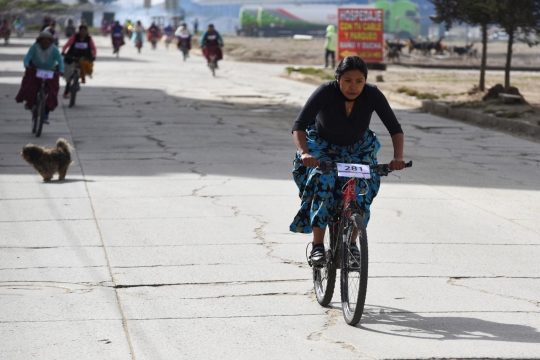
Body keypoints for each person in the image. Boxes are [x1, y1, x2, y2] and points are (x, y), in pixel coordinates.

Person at [290, 56, 406, 265]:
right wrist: (305, 153)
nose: (353, 86)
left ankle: (352, 245)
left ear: (365, 81)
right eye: (348, 80)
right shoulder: (325, 92)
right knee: (323, 182)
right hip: (323, 147)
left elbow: (394, 128)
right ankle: (317, 247)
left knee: (362, 189)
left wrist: (398, 157)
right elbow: (299, 125)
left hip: (358, 149)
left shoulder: (372, 95)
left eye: (359, 81)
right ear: (338, 79)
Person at [16, 31, 64, 124]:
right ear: (40, 40)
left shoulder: (54, 49)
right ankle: (30, 103)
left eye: (48, 40)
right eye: (43, 40)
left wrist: (61, 70)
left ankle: (45, 114)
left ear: (50, 41)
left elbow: (60, 60)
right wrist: (26, 65)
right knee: (30, 86)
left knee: (51, 92)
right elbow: (27, 58)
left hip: (50, 72)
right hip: (35, 70)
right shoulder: (34, 47)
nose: (45, 42)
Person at [61, 25, 96, 98]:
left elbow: (94, 49)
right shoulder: (74, 37)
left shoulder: (89, 39)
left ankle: (83, 77)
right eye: (81, 31)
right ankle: (66, 92)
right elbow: (67, 45)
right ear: (79, 31)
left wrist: (93, 56)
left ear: (86, 32)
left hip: (85, 56)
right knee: (68, 75)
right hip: (72, 56)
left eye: (84, 31)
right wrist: (63, 51)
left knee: (84, 64)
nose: (83, 33)